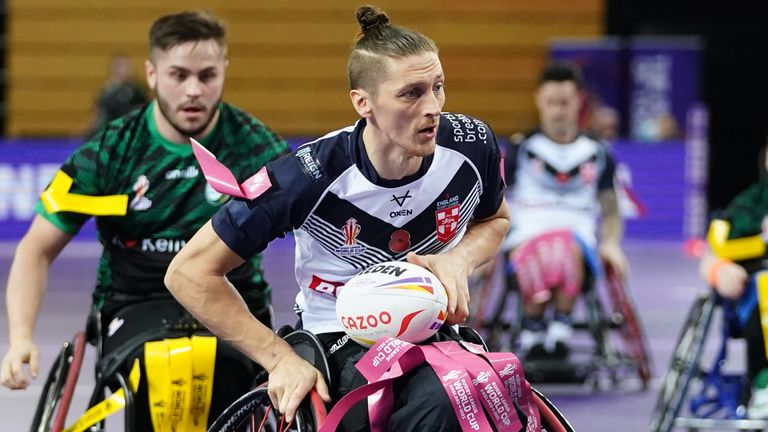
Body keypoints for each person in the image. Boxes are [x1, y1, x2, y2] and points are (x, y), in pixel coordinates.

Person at [165, 5, 510, 431]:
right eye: (411, 93)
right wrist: (279, 359)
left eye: (437, 87)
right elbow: (189, 272)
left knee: (470, 392)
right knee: (438, 400)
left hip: (431, 329)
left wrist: (458, 261)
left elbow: (495, 221)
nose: (432, 107)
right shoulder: (306, 175)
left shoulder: (472, 145)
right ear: (363, 102)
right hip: (339, 336)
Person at [1, 10, 288, 430]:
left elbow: (325, 234)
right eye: (178, 75)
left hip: (233, 301)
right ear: (152, 74)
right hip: (136, 303)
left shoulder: (258, 148)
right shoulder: (110, 151)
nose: (193, 90)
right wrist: (20, 336)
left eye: (207, 75)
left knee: (225, 372)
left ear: (224, 71)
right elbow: (35, 249)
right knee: (168, 370)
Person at [502, 61, 629, 360]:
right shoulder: (521, 148)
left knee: (564, 247)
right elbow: (496, 201)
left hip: (577, 235)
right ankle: (538, 333)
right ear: (538, 100)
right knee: (542, 249)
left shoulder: (597, 152)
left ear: (579, 102)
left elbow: (611, 209)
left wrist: (610, 243)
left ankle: (556, 333)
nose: (558, 111)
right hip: (527, 233)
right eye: (551, 103)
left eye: (565, 102)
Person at [699, 171, 768, 418]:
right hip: (757, 294)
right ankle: (764, 385)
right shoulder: (751, 202)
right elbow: (711, 254)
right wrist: (719, 269)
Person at [85, 54, 149, 139]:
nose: (126, 69)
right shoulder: (106, 92)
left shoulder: (137, 91)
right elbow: (99, 116)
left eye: (127, 66)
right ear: (114, 70)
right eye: (121, 66)